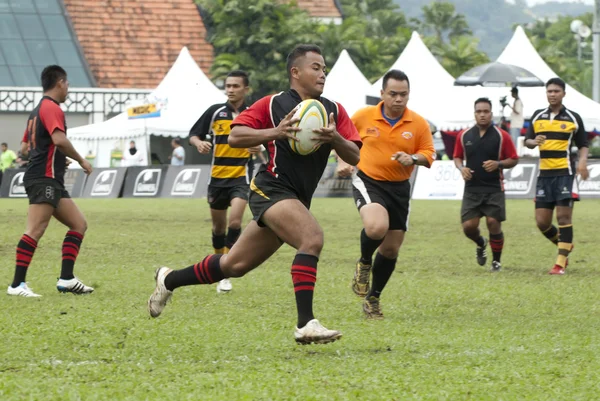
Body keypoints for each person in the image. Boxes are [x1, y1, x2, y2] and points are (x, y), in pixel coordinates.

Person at [148, 44, 361, 344]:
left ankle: (168, 279)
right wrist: (276, 132)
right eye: (316, 67)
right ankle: (305, 324)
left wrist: (335, 137)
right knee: (312, 238)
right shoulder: (271, 104)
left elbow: (355, 156)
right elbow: (235, 136)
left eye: (324, 68)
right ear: (295, 72)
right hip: (270, 189)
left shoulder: (334, 111)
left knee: (233, 265)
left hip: (296, 198)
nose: (323, 73)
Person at [336, 70, 436, 320]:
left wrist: (412, 158)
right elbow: (342, 139)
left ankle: (373, 298)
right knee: (376, 227)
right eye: (393, 94)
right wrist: (341, 162)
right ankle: (364, 262)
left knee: (391, 250)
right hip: (368, 180)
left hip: (400, 188)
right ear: (382, 94)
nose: (398, 99)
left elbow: (429, 154)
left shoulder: (418, 123)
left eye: (403, 94)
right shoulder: (362, 116)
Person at [7, 65, 93, 297]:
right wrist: (81, 160)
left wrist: (55, 159)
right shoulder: (51, 107)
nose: (68, 90)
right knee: (35, 229)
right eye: (68, 85)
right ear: (60, 83)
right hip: (43, 179)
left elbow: (25, 148)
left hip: (50, 178)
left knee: (79, 224)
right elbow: (60, 140)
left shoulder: (36, 111)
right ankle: (17, 285)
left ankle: (66, 279)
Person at [188, 70, 258, 293]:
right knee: (218, 228)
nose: (230, 90)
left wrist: (261, 146)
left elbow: (267, 137)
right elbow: (193, 134)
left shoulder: (253, 113)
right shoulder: (215, 112)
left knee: (235, 223)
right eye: (227, 86)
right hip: (217, 179)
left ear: (246, 89)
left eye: (236, 86)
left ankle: (225, 272)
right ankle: (218, 267)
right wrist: (198, 143)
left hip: (241, 177)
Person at [524, 77, 589, 275]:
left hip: (565, 174)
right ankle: (564, 245)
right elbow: (527, 141)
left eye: (556, 91)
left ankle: (559, 264)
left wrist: (583, 163)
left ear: (563, 93)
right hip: (544, 174)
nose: (552, 94)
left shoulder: (573, 118)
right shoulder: (537, 116)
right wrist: (533, 142)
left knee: (563, 217)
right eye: (549, 91)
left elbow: (583, 144)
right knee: (542, 222)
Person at [453, 98, 519, 272]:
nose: (482, 115)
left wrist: (499, 164)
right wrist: (462, 168)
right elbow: (457, 157)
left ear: (491, 113)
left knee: (493, 223)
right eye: (479, 111)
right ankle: (481, 243)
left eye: (486, 111)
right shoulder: (464, 135)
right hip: (472, 189)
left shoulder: (501, 135)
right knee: (469, 227)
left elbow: (514, 159)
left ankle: (496, 262)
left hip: (493, 188)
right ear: (474, 113)